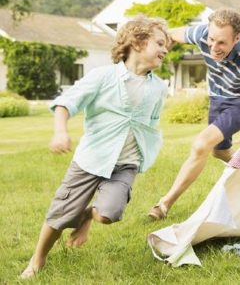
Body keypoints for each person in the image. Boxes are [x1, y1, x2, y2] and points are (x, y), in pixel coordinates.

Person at [20, 16, 170, 278]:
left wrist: (147, 150)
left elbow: (152, 122)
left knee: (108, 214)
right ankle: (37, 261)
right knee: (60, 215)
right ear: (137, 41)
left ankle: (89, 216)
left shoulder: (158, 88)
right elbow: (66, 103)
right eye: (159, 43)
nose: (165, 49)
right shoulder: (103, 76)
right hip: (91, 160)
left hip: (126, 164)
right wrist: (60, 132)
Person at [148, 9, 240, 220]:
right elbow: (169, 34)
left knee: (201, 145)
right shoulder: (203, 34)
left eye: (222, 43)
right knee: (220, 152)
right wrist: (158, 50)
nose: (214, 48)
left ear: (237, 38)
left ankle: (164, 204)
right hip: (217, 98)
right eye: (211, 39)